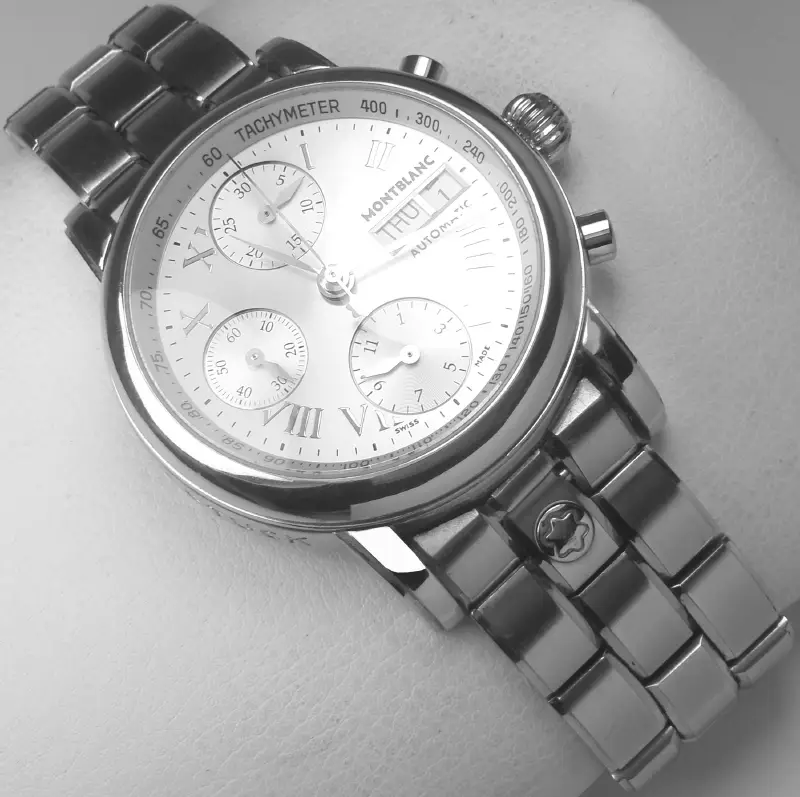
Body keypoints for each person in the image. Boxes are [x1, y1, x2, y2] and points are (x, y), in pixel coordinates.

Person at [1, 0, 798, 795]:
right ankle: (672, 693)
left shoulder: (349, 118)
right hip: (420, 492)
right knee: (529, 594)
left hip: (535, 377)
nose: (332, 279)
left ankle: (693, 678)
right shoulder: (140, 279)